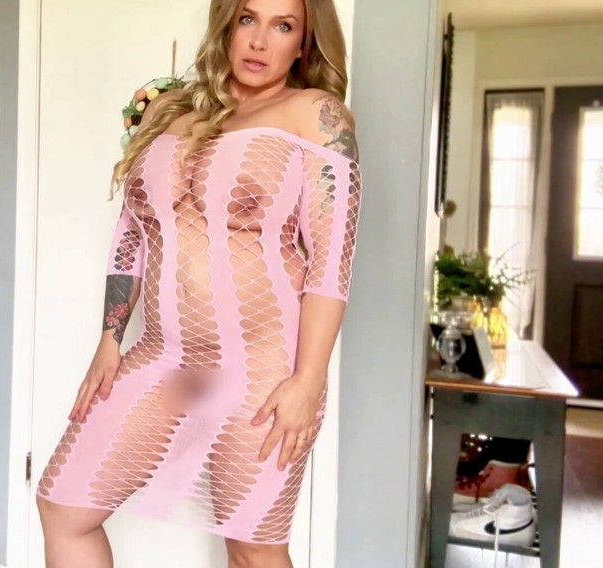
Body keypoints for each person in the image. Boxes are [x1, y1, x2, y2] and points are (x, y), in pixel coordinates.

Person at [35, 0, 362, 566]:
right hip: (163, 354)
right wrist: (110, 340)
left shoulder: (315, 114)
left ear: (304, 43)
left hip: (263, 363)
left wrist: (308, 380)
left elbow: (333, 261)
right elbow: (132, 231)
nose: (259, 41)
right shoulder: (168, 110)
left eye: (283, 26)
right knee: (63, 507)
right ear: (226, 23)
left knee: (253, 550)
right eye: (247, 18)